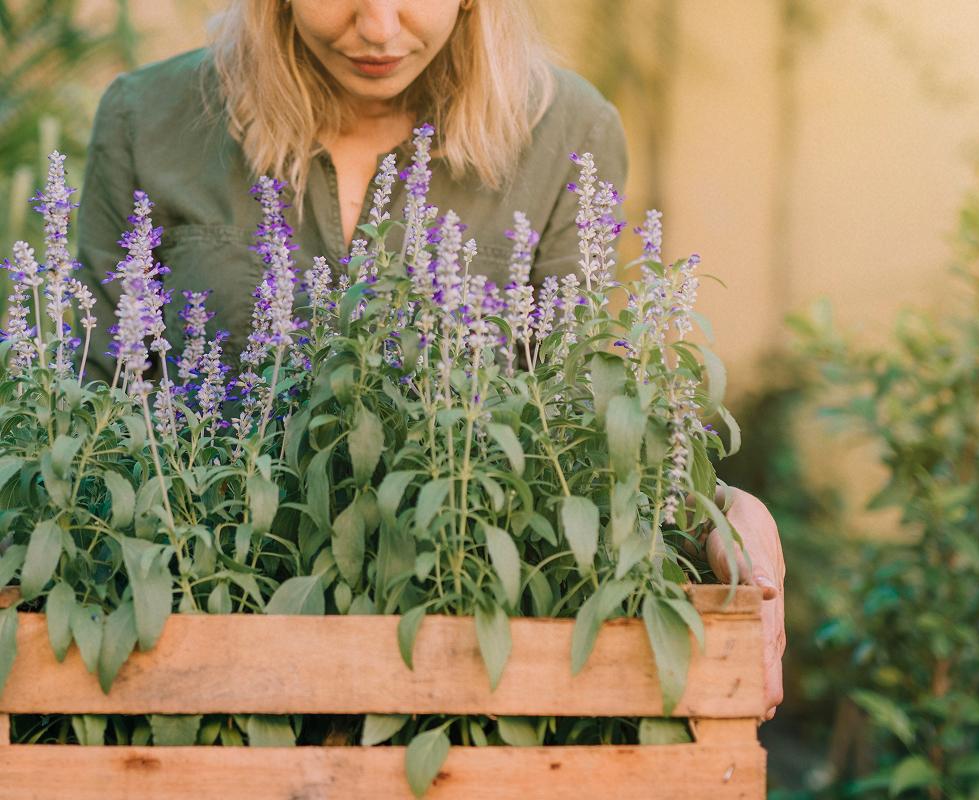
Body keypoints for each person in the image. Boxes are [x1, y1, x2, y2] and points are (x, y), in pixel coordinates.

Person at [76, 0, 786, 719]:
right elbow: (96, 406)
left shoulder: (566, 129)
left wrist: (721, 510)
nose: (380, 28)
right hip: (200, 664)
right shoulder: (150, 118)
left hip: (459, 671)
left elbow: (581, 421)